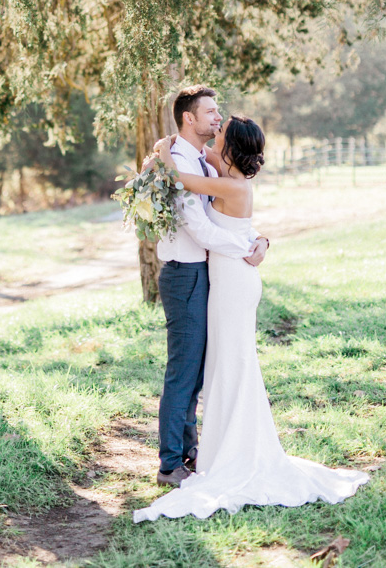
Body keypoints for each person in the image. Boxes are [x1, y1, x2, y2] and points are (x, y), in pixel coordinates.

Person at [134, 114, 369, 522]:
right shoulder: (223, 170)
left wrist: (162, 157)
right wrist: (162, 147)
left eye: (220, 132)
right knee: (225, 364)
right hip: (227, 278)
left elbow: (182, 181)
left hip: (235, 283)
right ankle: (220, 446)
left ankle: (236, 451)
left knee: (234, 364)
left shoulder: (230, 184)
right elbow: (185, 151)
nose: (215, 130)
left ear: (229, 146)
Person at [148, 85, 269, 489]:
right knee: (185, 370)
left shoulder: (205, 160)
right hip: (186, 270)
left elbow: (232, 210)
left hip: (216, 273)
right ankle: (170, 463)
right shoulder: (182, 158)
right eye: (212, 112)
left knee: (205, 368)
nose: (218, 118)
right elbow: (198, 227)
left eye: (220, 116)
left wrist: (260, 240)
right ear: (189, 118)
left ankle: (196, 447)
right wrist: (247, 246)